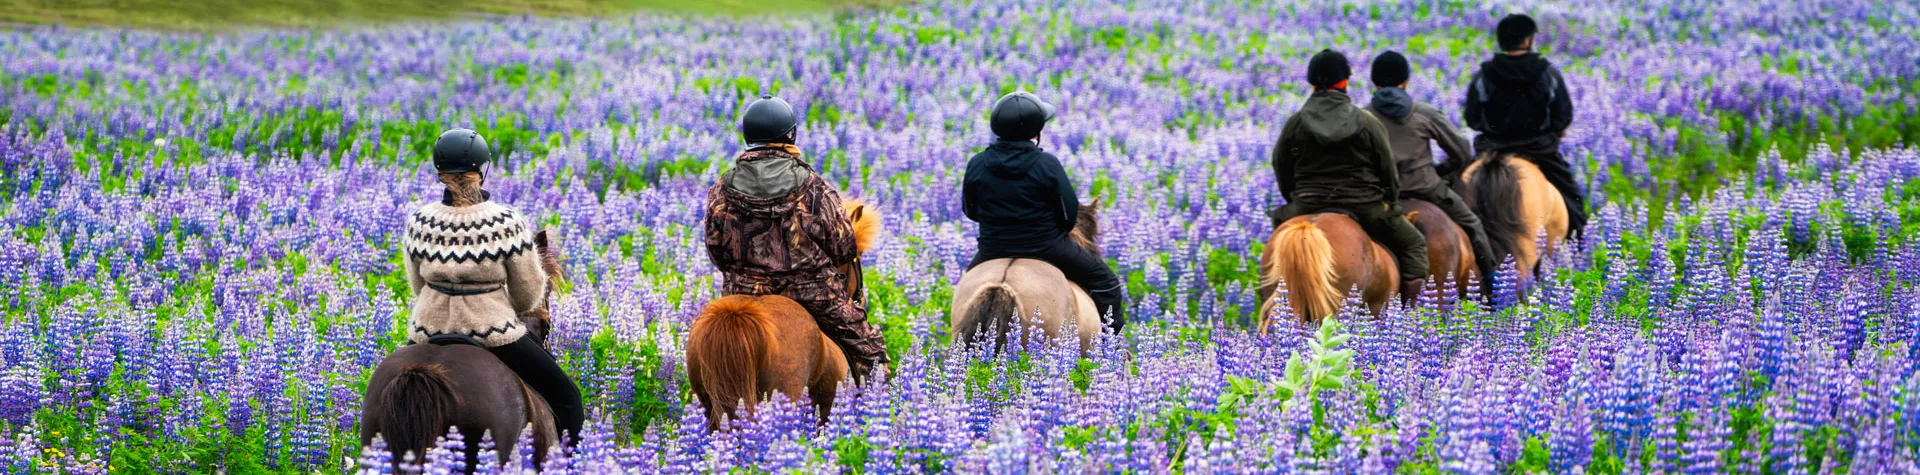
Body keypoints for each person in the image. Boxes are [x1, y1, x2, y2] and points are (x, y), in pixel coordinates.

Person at [401, 128, 585, 440]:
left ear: (438, 173)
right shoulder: (505, 223)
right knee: (568, 399)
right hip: (494, 332)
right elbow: (528, 296)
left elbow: (418, 286)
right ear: (482, 171)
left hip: (427, 331)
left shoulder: (420, 222)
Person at [704, 95, 890, 383]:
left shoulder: (722, 188)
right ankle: (873, 413)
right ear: (789, 134)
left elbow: (716, 251)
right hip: (812, 294)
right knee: (870, 351)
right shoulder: (814, 186)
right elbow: (843, 246)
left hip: (742, 291)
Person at [962, 91, 1128, 331]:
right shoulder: (1046, 164)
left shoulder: (977, 163)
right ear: (1035, 131)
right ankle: (1113, 350)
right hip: (1046, 247)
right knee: (1106, 282)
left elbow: (970, 210)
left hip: (992, 247)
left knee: (966, 289)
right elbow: (1068, 213)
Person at [1271, 49, 1429, 295]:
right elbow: (1386, 169)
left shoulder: (1296, 122)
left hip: (1307, 203)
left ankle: (1273, 302)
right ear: (1345, 82)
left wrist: (1295, 198)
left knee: (1276, 240)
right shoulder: (1365, 121)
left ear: (1312, 83)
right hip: (1363, 205)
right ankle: (1411, 319)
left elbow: (1281, 166)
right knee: (1414, 244)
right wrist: (1390, 201)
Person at [1367, 50, 1498, 283]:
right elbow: (1461, 150)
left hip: (1380, 195)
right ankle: (1493, 282)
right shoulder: (1424, 113)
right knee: (1472, 224)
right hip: (1425, 188)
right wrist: (1441, 170)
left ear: (1374, 82)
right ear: (1405, 81)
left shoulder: (1363, 116)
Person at [1462, 13, 1585, 235]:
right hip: (1539, 150)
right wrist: (1553, 131)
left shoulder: (1484, 75)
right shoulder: (1548, 72)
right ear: (1528, 40)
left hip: (1492, 149)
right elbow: (1563, 116)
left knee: (1457, 195)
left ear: (1501, 40)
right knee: (1572, 201)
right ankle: (1579, 247)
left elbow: (1472, 118)